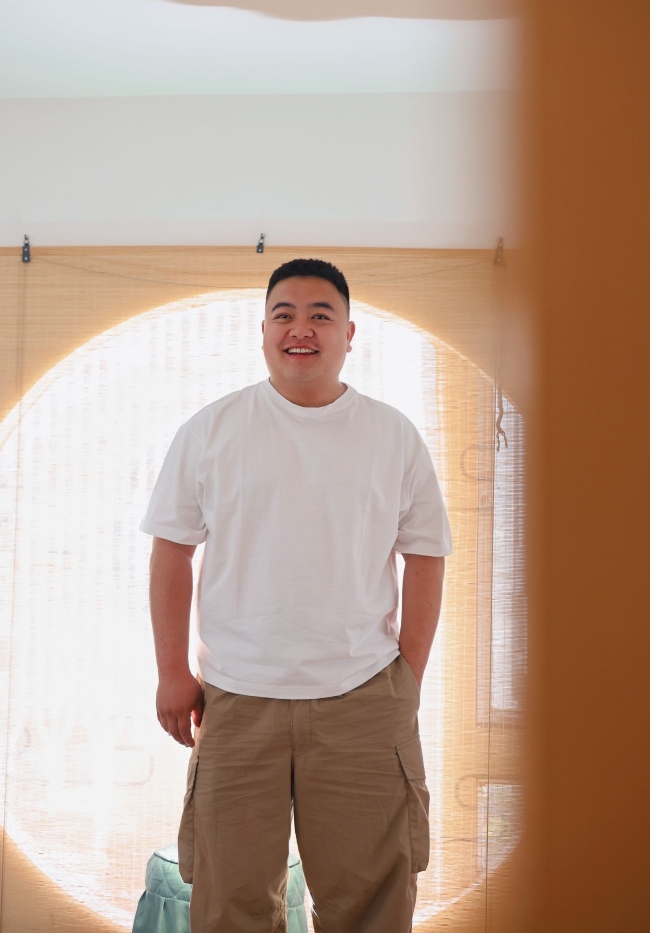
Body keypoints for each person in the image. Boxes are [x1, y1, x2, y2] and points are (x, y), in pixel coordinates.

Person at [141, 258, 452, 933]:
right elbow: (171, 551)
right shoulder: (211, 429)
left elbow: (427, 555)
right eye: (284, 314)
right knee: (230, 904)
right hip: (234, 699)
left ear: (349, 333)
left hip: (362, 698)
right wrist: (171, 671)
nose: (300, 329)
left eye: (320, 315)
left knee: (370, 903)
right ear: (263, 331)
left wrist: (407, 678)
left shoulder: (391, 433)